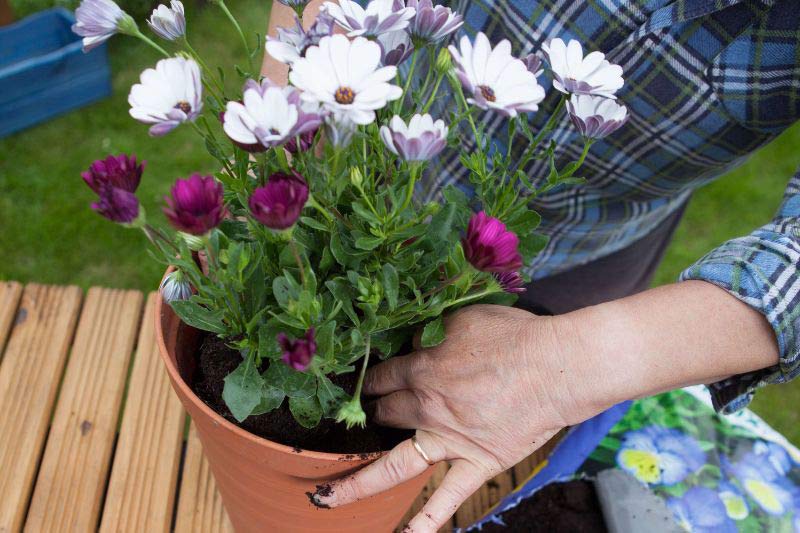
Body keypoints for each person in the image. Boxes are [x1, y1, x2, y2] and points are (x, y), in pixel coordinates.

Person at [263, 0, 800, 530]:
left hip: (588, 244)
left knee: (480, 423)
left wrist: (556, 369)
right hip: (376, 153)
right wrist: (278, 128)